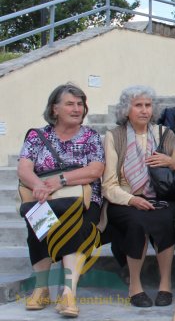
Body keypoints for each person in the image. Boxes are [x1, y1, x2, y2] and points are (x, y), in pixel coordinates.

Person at [17, 83, 105, 317]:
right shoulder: (37, 136)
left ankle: (68, 292)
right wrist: (38, 185)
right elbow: (24, 168)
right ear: (54, 109)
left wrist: (61, 180)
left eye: (80, 104)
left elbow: (96, 170)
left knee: (77, 225)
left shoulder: (91, 136)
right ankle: (41, 288)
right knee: (37, 224)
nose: (77, 109)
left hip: (85, 200)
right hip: (44, 197)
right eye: (70, 104)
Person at [102, 86, 175, 308]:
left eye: (148, 105)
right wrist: (132, 200)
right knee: (136, 222)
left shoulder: (164, 134)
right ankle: (135, 286)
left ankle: (165, 284)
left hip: (160, 196)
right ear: (126, 110)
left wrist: (171, 163)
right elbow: (108, 184)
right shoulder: (114, 136)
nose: (144, 110)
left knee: (166, 219)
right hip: (125, 198)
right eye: (138, 105)